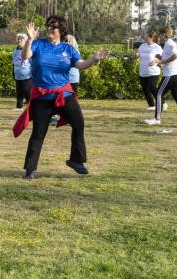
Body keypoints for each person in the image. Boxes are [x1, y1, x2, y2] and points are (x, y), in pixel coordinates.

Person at [17, 16, 110, 178]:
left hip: (64, 94)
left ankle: (76, 160)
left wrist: (94, 59)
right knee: (39, 132)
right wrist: (30, 40)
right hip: (42, 96)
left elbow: (80, 65)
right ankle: (30, 169)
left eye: (53, 27)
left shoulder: (68, 49)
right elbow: (25, 56)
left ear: (61, 30)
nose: (49, 29)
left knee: (79, 124)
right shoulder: (38, 44)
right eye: (48, 26)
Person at [143, 26, 177, 126]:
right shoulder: (169, 44)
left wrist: (163, 61)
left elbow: (175, 55)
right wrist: (159, 59)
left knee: (158, 94)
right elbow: (166, 60)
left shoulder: (169, 43)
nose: (158, 36)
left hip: (171, 74)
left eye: (159, 34)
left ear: (164, 35)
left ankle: (157, 118)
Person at [136, 30, 162, 110]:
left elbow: (162, 58)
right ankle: (152, 105)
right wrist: (136, 55)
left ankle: (163, 103)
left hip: (153, 72)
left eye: (146, 36)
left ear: (152, 38)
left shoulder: (157, 47)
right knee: (145, 89)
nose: (144, 37)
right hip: (143, 71)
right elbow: (137, 55)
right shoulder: (142, 46)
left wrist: (156, 61)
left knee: (152, 88)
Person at [13, 32, 33, 109]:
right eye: (18, 39)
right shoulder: (15, 51)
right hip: (18, 76)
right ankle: (19, 107)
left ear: (26, 41)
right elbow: (14, 62)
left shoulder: (28, 50)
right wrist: (13, 73)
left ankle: (31, 107)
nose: (20, 41)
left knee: (27, 91)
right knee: (19, 92)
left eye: (22, 39)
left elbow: (31, 62)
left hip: (27, 76)